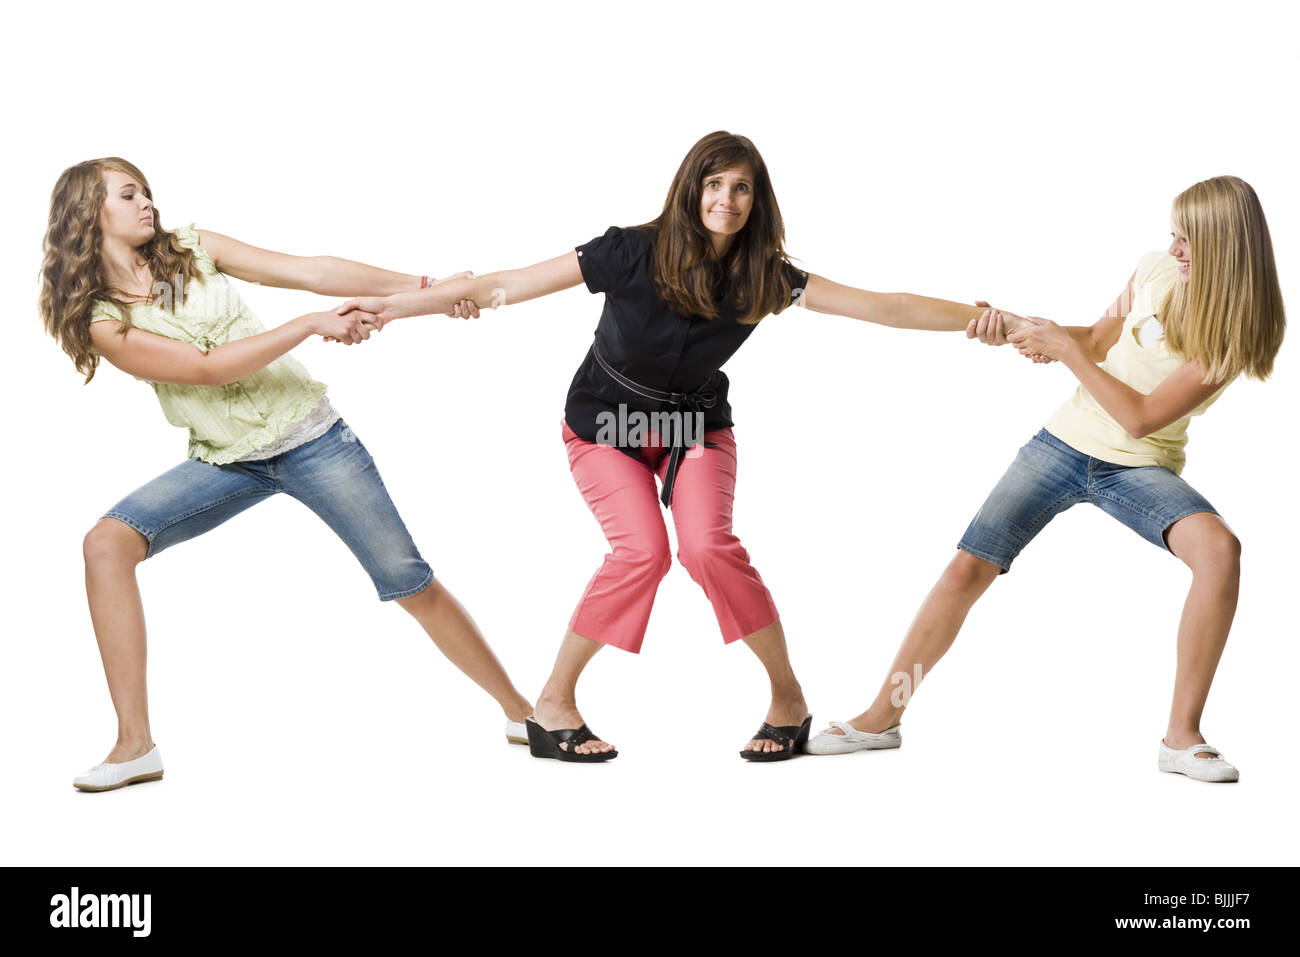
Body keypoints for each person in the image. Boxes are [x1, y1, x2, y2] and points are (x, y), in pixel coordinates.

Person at [337, 131, 995, 761]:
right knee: (642, 551)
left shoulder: (765, 276)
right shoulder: (628, 250)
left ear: (756, 201)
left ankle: (788, 700)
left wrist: (982, 320)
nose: (727, 200)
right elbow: (499, 286)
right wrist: (393, 308)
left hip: (692, 429)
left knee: (709, 548)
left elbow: (888, 308)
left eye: (742, 188)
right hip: (606, 426)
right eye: (715, 184)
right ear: (691, 188)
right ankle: (554, 702)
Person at [40, 157, 533, 792]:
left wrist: (430, 289)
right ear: (88, 214)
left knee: (410, 585)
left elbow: (311, 271)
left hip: (313, 441)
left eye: (147, 191)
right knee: (106, 543)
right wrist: (306, 325)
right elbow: (205, 368)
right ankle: (135, 745)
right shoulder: (103, 319)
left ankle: (523, 714)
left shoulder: (193, 247)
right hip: (225, 461)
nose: (148, 203)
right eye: (129, 194)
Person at [806, 175, 1285, 783]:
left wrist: (1067, 352)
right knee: (967, 567)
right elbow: (1096, 338)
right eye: (1174, 233)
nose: (1175, 249)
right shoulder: (1155, 269)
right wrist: (1025, 330)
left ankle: (1181, 738)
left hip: (1139, 467)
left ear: (1228, 245)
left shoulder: (1241, 331)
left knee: (1219, 550)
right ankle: (882, 717)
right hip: (1062, 445)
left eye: (1190, 239)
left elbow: (1140, 420)